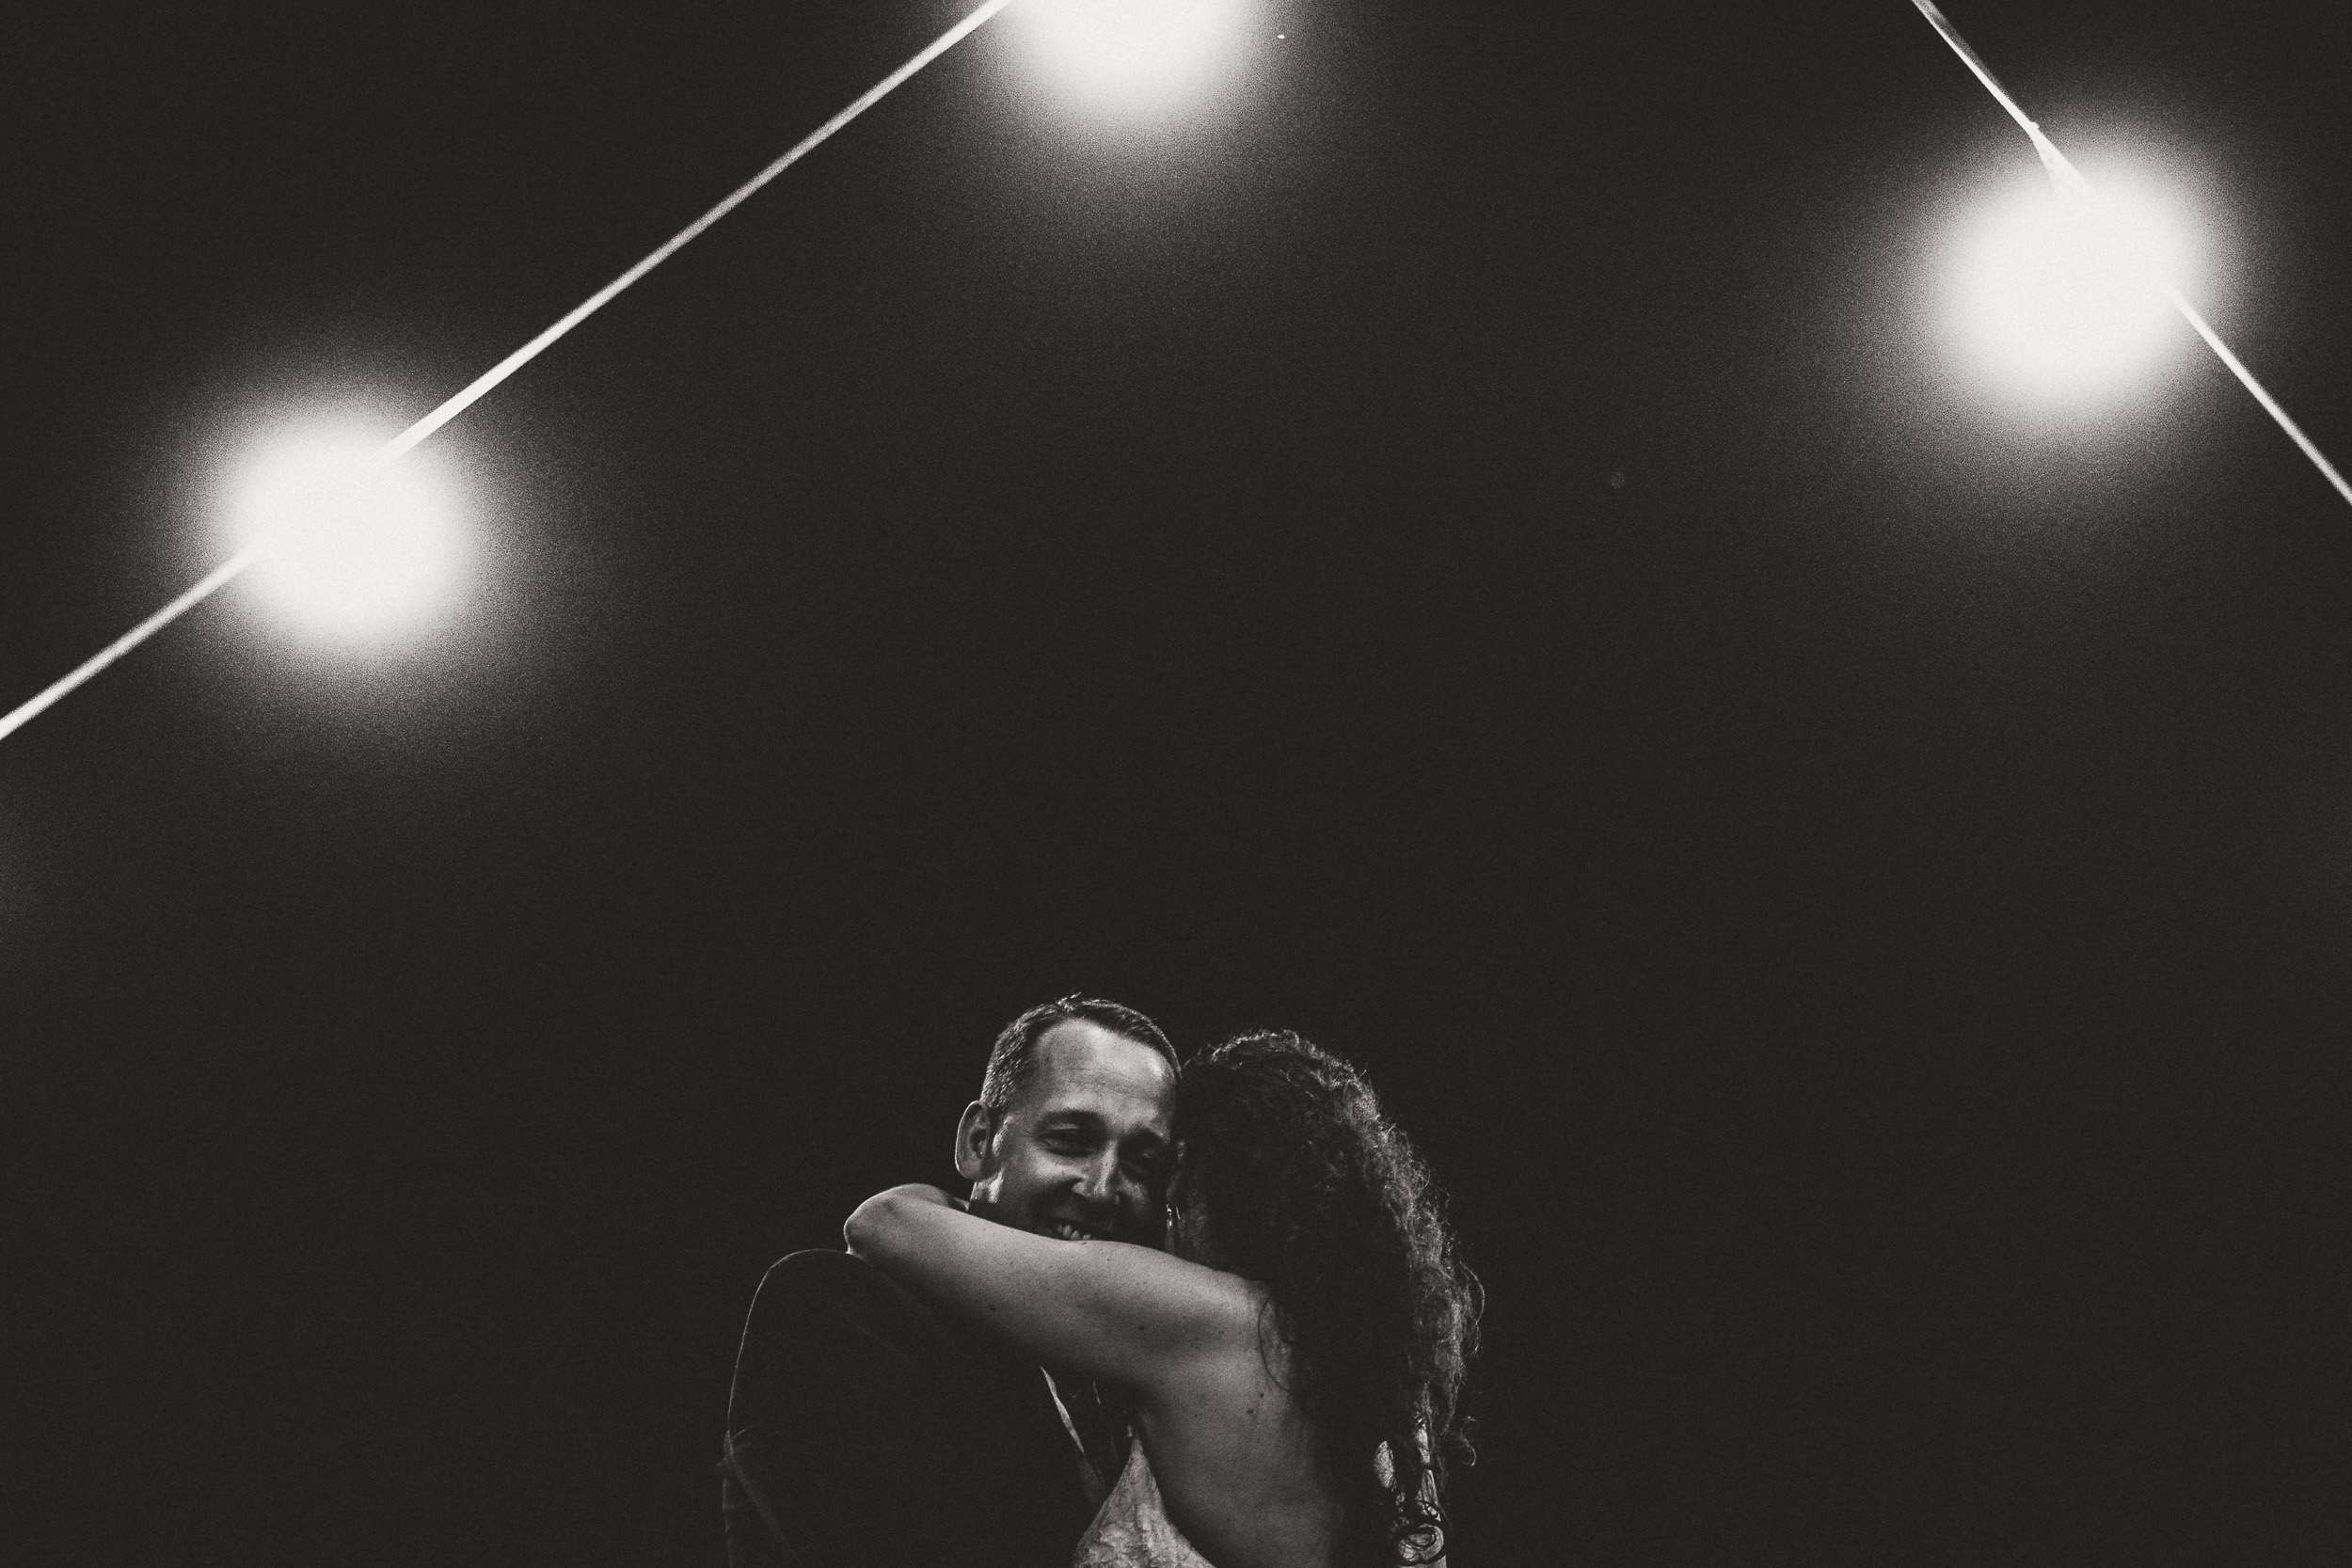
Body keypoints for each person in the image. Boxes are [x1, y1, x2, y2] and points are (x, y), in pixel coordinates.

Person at [848, 1029, 1480, 1568]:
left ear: (1204, 1180)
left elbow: (883, 1222)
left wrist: (975, 1198)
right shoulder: (1389, 1389)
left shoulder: (1205, 1319)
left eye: (1157, 1169)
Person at [721, 996, 1182, 1568]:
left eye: (1141, 1163)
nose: (1103, 1187)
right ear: (977, 1141)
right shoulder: (835, 1306)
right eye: (1071, 1140)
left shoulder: (1141, 1377)